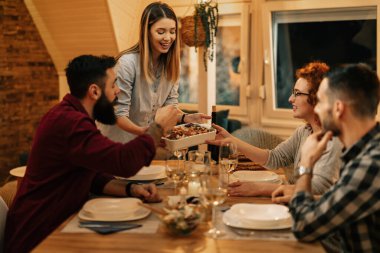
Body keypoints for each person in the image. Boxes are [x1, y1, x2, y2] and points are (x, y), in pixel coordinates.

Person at [4, 55, 179, 253]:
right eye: (113, 85)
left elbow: (93, 174)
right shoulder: (71, 123)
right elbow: (123, 162)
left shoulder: (71, 115)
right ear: (94, 91)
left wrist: (130, 189)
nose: (118, 91)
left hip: (57, 226)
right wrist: (158, 127)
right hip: (39, 237)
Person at [273, 63, 380, 252]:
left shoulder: (370, 165)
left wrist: (306, 164)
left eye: (320, 102)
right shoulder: (362, 152)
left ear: (338, 109)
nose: (317, 110)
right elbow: (343, 201)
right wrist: (313, 198)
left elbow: (304, 227)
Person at [208, 62, 342, 197]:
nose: (290, 99)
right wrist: (232, 141)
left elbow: (318, 188)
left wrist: (260, 188)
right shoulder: (304, 131)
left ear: (316, 98)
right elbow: (274, 158)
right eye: (292, 93)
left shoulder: (333, 140)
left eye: (297, 93)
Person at [99, 2, 210, 144]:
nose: (168, 38)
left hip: (142, 145)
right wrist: (148, 133)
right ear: (147, 32)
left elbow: (170, 107)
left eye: (172, 31)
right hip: (116, 144)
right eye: (161, 32)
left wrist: (185, 118)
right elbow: (118, 114)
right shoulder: (127, 63)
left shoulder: (173, 65)